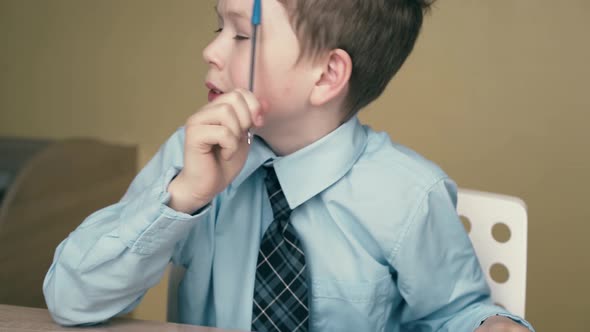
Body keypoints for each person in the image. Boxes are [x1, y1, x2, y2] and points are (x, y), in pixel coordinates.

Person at [43, 0, 534, 331]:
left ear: (327, 75)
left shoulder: (410, 195)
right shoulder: (193, 157)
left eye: (240, 34)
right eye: (219, 27)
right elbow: (72, 300)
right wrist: (183, 197)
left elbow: (459, 314)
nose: (210, 50)